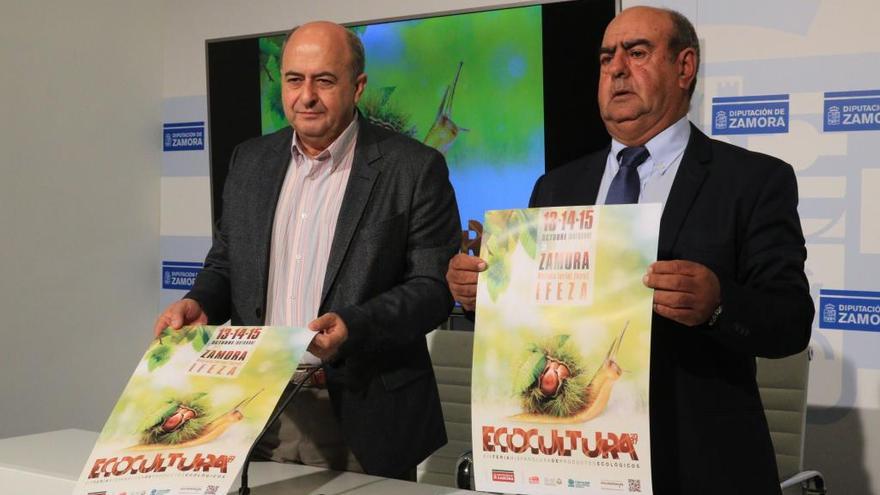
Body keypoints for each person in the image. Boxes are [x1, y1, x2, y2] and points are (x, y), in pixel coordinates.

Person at [446, 6, 813, 495]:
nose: (616, 68)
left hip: (696, 464)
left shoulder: (752, 181)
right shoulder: (556, 186)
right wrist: (481, 297)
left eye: (637, 53)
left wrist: (719, 304)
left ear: (685, 68)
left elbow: (790, 320)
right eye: (605, 58)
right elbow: (536, 319)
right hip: (571, 461)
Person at [154, 21, 461, 480]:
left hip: (362, 412)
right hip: (258, 405)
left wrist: (353, 327)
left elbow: (433, 289)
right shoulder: (250, 161)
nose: (306, 96)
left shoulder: (414, 168)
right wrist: (199, 301)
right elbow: (225, 262)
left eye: (324, 80)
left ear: (357, 87)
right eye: (295, 80)